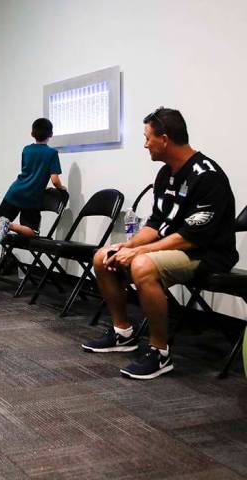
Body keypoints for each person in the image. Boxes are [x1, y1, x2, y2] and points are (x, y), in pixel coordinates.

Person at [82, 107, 238, 380]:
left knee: (142, 264)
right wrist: (127, 246)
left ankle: (160, 352)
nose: (145, 145)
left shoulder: (208, 176)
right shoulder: (165, 174)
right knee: (102, 256)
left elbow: (191, 238)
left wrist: (140, 252)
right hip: (175, 246)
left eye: (148, 138)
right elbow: (155, 225)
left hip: (206, 253)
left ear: (164, 139)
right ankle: (123, 333)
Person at [0, 118, 66, 268]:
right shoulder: (51, 153)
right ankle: (10, 226)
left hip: (15, 191)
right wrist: (61, 188)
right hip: (32, 197)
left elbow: (28, 172)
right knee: (32, 232)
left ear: (32, 133)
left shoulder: (26, 150)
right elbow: (54, 179)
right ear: (51, 133)